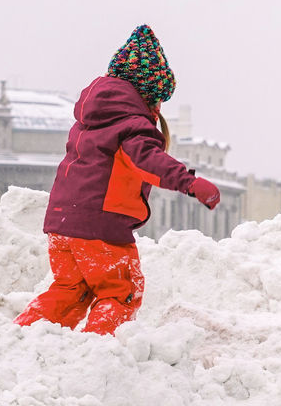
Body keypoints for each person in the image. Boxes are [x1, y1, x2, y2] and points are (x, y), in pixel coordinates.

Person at [15, 25, 220, 335]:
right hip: (101, 230)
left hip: (61, 225)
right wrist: (189, 183)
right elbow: (148, 160)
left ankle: (21, 339)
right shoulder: (132, 125)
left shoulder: (90, 120)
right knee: (120, 292)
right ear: (149, 94)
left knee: (70, 290)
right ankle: (97, 355)